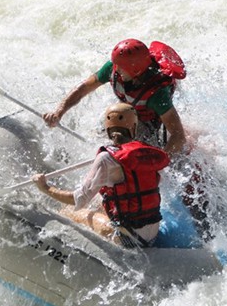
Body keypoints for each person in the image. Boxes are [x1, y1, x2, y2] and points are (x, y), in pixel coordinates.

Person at [33, 103, 170, 248]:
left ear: (108, 129)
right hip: (152, 235)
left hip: (129, 239)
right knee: (98, 203)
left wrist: (45, 188)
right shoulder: (146, 153)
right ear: (134, 128)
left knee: (68, 210)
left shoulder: (106, 158)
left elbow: (79, 199)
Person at [43, 38, 187, 155]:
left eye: (120, 67)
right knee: (104, 131)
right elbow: (83, 89)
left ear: (135, 71)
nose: (115, 69)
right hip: (128, 111)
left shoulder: (157, 94)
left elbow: (178, 136)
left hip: (151, 121)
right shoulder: (113, 67)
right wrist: (58, 112)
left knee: (137, 150)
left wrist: (160, 162)